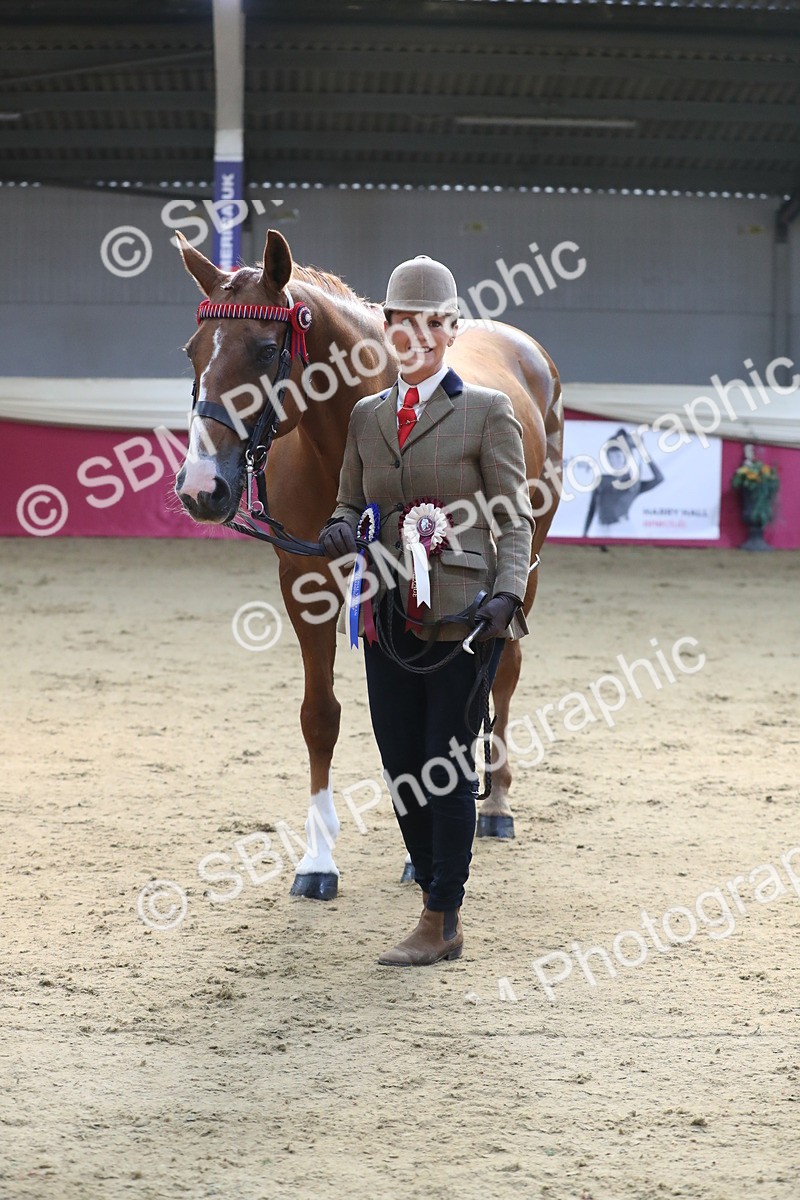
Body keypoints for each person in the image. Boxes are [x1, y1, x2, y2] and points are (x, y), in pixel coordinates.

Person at [319, 254, 533, 967]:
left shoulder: (487, 411)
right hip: (387, 613)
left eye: (431, 325)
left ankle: (442, 914)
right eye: (402, 325)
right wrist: (342, 526)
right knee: (400, 763)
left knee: (445, 763)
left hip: (466, 617)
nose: (416, 338)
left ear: (449, 330)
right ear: (389, 330)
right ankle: (433, 897)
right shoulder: (365, 417)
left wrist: (507, 591)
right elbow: (351, 499)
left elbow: (514, 516)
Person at [582, 428, 664, 537]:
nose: (615, 460)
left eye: (618, 456)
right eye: (611, 456)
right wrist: (584, 534)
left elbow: (659, 478)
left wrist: (643, 453)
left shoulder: (634, 483)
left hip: (622, 527)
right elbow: (592, 508)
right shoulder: (601, 480)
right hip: (601, 528)